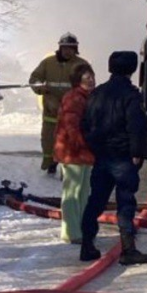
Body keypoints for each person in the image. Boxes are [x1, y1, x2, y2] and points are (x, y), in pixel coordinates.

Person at [79, 51, 147, 265]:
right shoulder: (131, 96)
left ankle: (87, 245)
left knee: (96, 201)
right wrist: (138, 153)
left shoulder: (97, 93)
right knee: (126, 203)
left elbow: (85, 124)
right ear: (132, 69)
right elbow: (136, 128)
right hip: (122, 158)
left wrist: (95, 146)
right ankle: (128, 249)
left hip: (102, 156)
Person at [29, 33, 89, 175]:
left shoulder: (82, 64)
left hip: (72, 111)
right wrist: (40, 88)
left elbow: (88, 84)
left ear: (76, 49)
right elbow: (34, 78)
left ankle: (67, 168)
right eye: (65, 48)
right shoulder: (48, 63)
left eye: (71, 48)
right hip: (51, 110)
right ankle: (50, 164)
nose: (68, 51)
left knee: (70, 140)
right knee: (48, 139)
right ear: (60, 48)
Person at [53, 63, 96, 244]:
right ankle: (71, 232)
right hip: (73, 153)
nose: (92, 81)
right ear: (78, 81)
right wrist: (82, 144)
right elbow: (72, 126)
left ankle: (81, 228)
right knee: (72, 192)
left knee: (84, 192)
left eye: (92, 77)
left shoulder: (87, 97)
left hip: (84, 153)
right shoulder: (74, 98)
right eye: (87, 78)